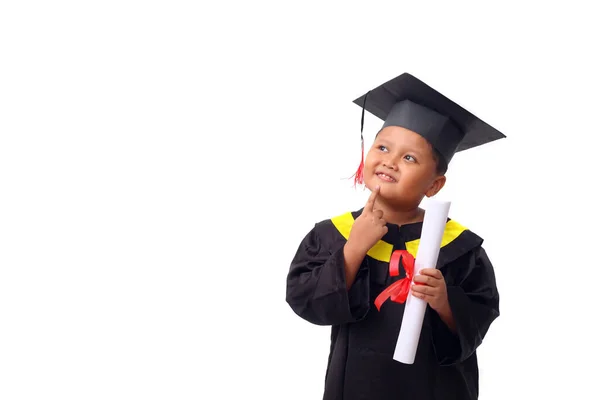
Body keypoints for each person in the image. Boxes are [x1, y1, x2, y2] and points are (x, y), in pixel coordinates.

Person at [285, 72, 504, 400]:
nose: (390, 161)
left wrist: (445, 302)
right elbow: (305, 300)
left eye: (409, 158)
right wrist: (354, 247)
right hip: (357, 386)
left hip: (437, 388)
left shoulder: (459, 247)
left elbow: (481, 310)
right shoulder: (333, 234)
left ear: (434, 185)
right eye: (383, 147)